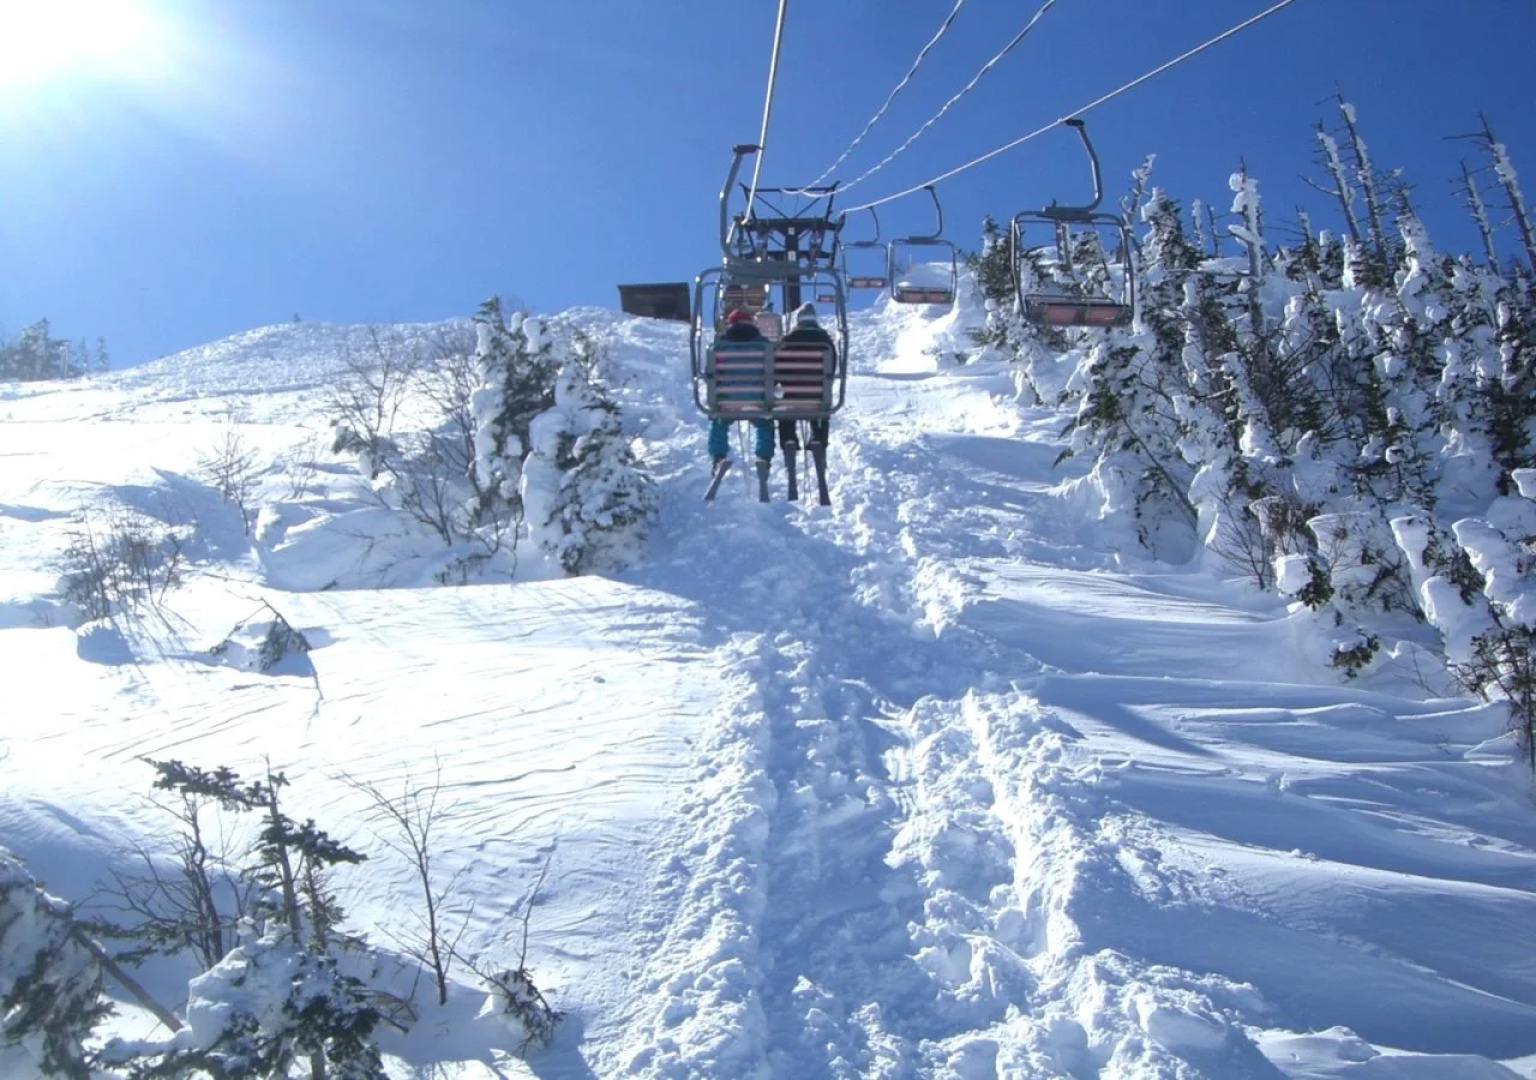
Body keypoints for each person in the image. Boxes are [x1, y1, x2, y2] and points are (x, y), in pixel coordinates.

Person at [709, 309, 775, 470]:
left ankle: (718, 455)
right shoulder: (764, 344)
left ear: (730, 324)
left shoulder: (719, 346)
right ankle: (763, 457)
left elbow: (711, 372)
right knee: (765, 422)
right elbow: (773, 371)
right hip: (757, 400)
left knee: (719, 422)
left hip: (727, 401)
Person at [776, 302, 835, 457]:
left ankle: (789, 440)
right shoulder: (825, 342)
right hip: (817, 397)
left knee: (785, 409)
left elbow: (776, 368)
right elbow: (831, 369)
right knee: (820, 410)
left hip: (792, 397)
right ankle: (819, 439)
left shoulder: (786, 342)